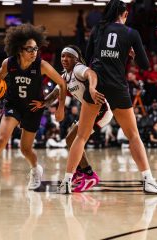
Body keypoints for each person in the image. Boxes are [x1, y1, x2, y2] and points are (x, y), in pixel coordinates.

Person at [85, 0, 157, 194]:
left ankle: (68, 180)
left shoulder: (98, 29)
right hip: (117, 86)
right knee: (133, 135)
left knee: (82, 136)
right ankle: (148, 180)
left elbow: (88, 56)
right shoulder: (131, 33)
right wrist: (130, 54)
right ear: (123, 14)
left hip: (95, 84)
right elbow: (146, 66)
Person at [0, 24, 66, 193]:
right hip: (13, 104)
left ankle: (36, 169)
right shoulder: (9, 63)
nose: (34, 52)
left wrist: (54, 105)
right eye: (29, 49)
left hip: (33, 108)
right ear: (19, 50)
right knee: (1, 139)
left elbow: (62, 83)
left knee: (25, 149)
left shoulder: (41, 65)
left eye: (36, 48)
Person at [31, 45, 113, 193]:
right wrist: (43, 103)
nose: (64, 59)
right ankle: (83, 172)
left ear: (76, 59)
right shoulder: (64, 77)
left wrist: (92, 88)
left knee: (77, 139)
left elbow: (91, 73)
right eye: (62, 56)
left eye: (68, 56)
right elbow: (55, 94)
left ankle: (89, 175)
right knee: (70, 139)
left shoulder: (78, 69)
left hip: (101, 111)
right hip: (89, 112)